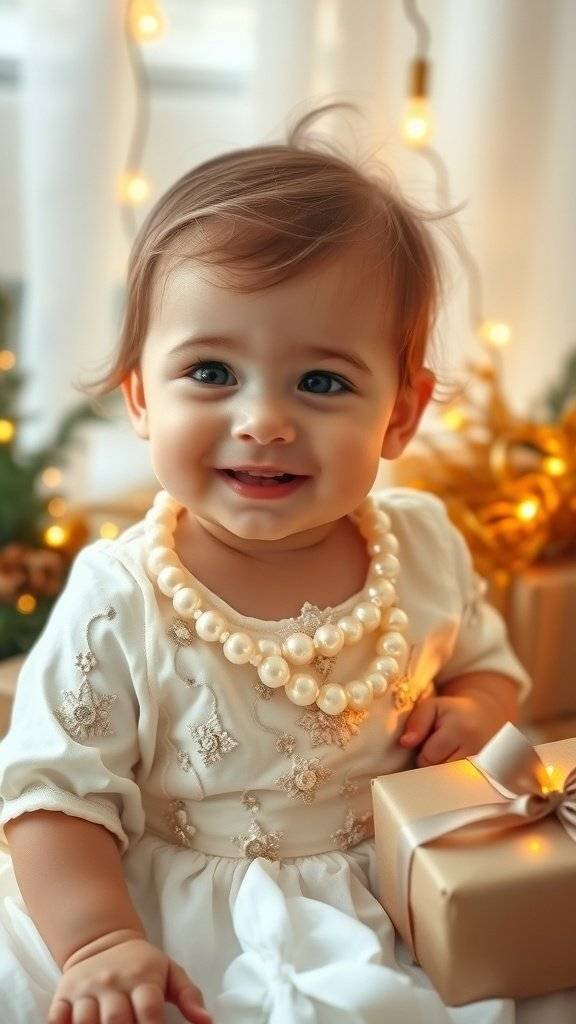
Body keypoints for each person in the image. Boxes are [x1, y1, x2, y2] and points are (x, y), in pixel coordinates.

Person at [0, 105, 573, 1024]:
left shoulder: (420, 542)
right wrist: (102, 941)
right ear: (142, 395)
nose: (262, 419)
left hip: (397, 883)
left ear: (401, 415)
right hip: (177, 917)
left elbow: (487, 667)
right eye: (212, 372)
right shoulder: (122, 601)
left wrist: (472, 714)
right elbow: (53, 798)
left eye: (321, 382)